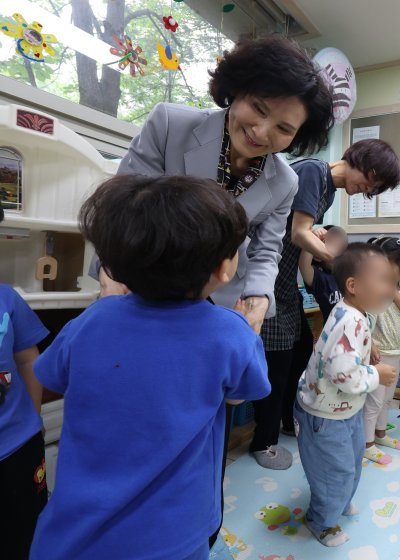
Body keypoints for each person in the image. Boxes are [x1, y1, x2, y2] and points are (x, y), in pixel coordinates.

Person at [94, 35, 333, 541]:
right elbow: (120, 208)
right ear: (236, 90)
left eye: (284, 128)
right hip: (139, 295)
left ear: (298, 136)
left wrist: (257, 302)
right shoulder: (170, 124)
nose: (262, 131)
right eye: (258, 108)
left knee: (201, 436)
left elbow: (266, 251)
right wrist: (113, 293)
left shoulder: (285, 181)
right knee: (133, 428)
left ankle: (200, 530)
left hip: (212, 309)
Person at [30, 175, 271, 560]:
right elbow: (239, 396)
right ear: (224, 268)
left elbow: (51, 377)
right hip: (173, 536)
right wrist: (247, 332)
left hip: (72, 532)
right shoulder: (231, 333)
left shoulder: (91, 320)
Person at [252, 139, 400, 470]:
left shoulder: (329, 190)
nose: (367, 191)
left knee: (301, 353)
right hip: (267, 278)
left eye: (373, 190)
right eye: (372, 182)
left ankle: (290, 421)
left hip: (284, 281)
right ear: (364, 163)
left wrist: (316, 233)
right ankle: (264, 441)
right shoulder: (312, 172)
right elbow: (297, 233)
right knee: (278, 364)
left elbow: (299, 225)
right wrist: (342, 266)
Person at [295, 243, 398, 547]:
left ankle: (337, 502)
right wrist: (376, 375)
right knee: (334, 472)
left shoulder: (357, 312)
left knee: (352, 461)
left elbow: (353, 344)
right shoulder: (350, 320)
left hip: (345, 410)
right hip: (325, 415)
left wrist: (370, 347)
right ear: (353, 286)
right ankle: (321, 521)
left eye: (394, 280)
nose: (392, 288)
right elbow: (342, 374)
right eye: (384, 280)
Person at [0, 206, 50, 560]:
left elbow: (28, 359)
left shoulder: (7, 297)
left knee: (27, 535)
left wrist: (34, 416)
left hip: (19, 446)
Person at [362, 236, 400, 464]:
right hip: (377, 354)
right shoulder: (373, 288)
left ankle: (380, 435)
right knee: (374, 401)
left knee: (387, 398)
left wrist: (395, 292)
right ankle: (367, 444)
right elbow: (364, 316)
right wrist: (370, 343)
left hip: (396, 353)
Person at [299, 225, 348, 321]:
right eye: (325, 242)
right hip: (328, 329)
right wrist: (313, 238)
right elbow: (304, 265)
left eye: (336, 245)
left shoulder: (345, 276)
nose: (330, 249)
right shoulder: (319, 276)